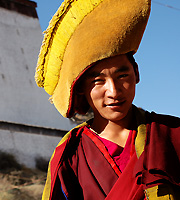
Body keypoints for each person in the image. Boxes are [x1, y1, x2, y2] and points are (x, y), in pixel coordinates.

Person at [35, 0, 180, 199]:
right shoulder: (71, 154)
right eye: (98, 81)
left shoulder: (172, 134)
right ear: (82, 88)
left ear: (136, 73)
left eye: (122, 76)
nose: (113, 91)